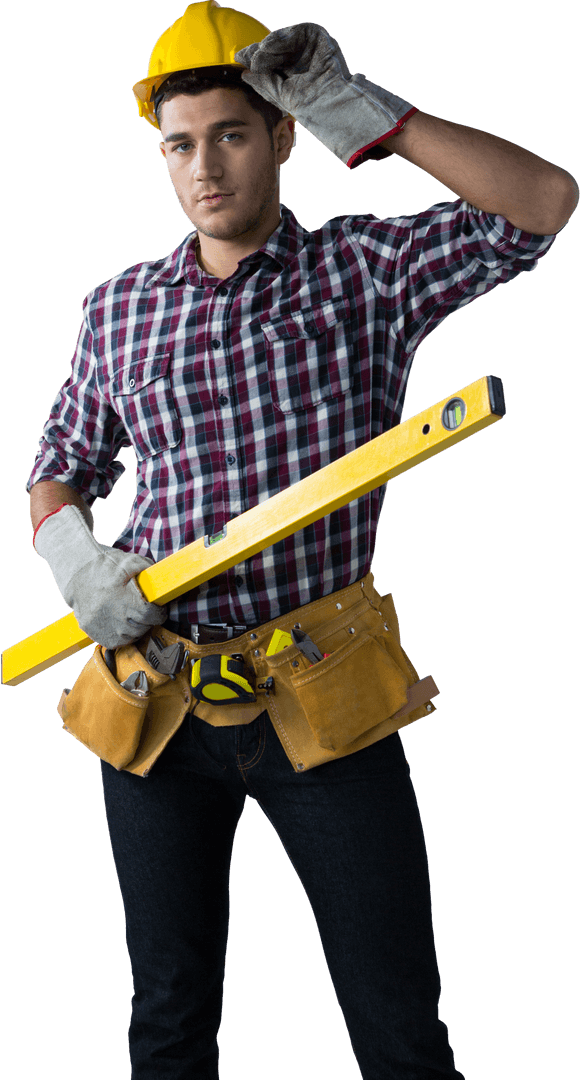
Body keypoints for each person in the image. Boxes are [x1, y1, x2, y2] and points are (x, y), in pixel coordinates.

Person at [26, 3, 577, 1078]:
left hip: (321, 697)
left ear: (280, 135)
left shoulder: (364, 273)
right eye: (178, 144)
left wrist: (355, 106)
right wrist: (74, 560)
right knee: (167, 1025)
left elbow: (540, 205)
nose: (203, 168)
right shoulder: (119, 310)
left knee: (399, 1031)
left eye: (230, 134)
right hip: (156, 700)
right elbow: (59, 470)